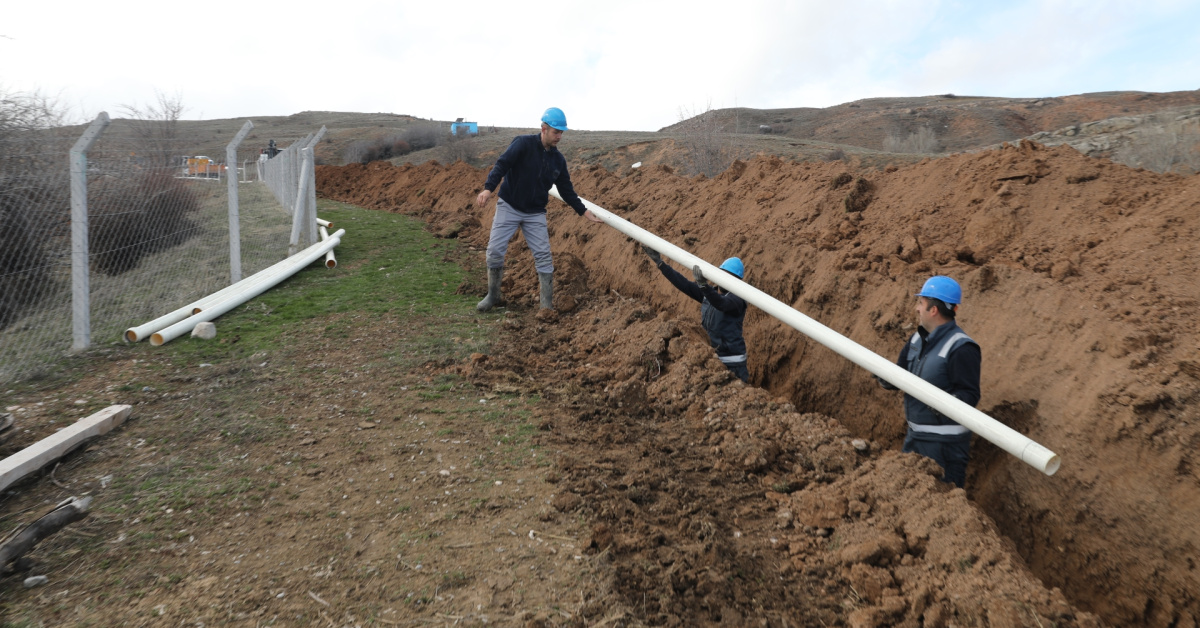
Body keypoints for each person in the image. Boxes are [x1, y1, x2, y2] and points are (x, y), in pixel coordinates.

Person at [474, 107, 603, 316]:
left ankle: (546, 306)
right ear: (543, 129)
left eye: (561, 133)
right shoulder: (522, 144)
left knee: (543, 255)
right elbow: (502, 165)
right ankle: (493, 295)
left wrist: (584, 212)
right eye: (555, 132)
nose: (559, 136)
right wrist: (489, 188)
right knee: (495, 251)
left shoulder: (558, 161)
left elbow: (567, 191)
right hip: (509, 205)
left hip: (535, 213)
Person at [879, 276, 981, 488]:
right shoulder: (917, 339)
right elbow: (903, 372)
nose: (917, 309)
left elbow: (969, 396)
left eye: (921, 303)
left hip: (945, 448)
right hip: (915, 438)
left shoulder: (961, 348)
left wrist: (935, 404)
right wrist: (887, 378)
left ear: (933, 310)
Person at [642, 245, 750, 383]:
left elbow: (722, 304)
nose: (724, 279)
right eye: (723, 274)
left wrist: (704, 286)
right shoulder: (710, 293)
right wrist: (660, 263)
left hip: (733, 362)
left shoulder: (737, 299)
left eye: (730, 277)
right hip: (712, 357)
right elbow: (684, 284)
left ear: (737, 281)